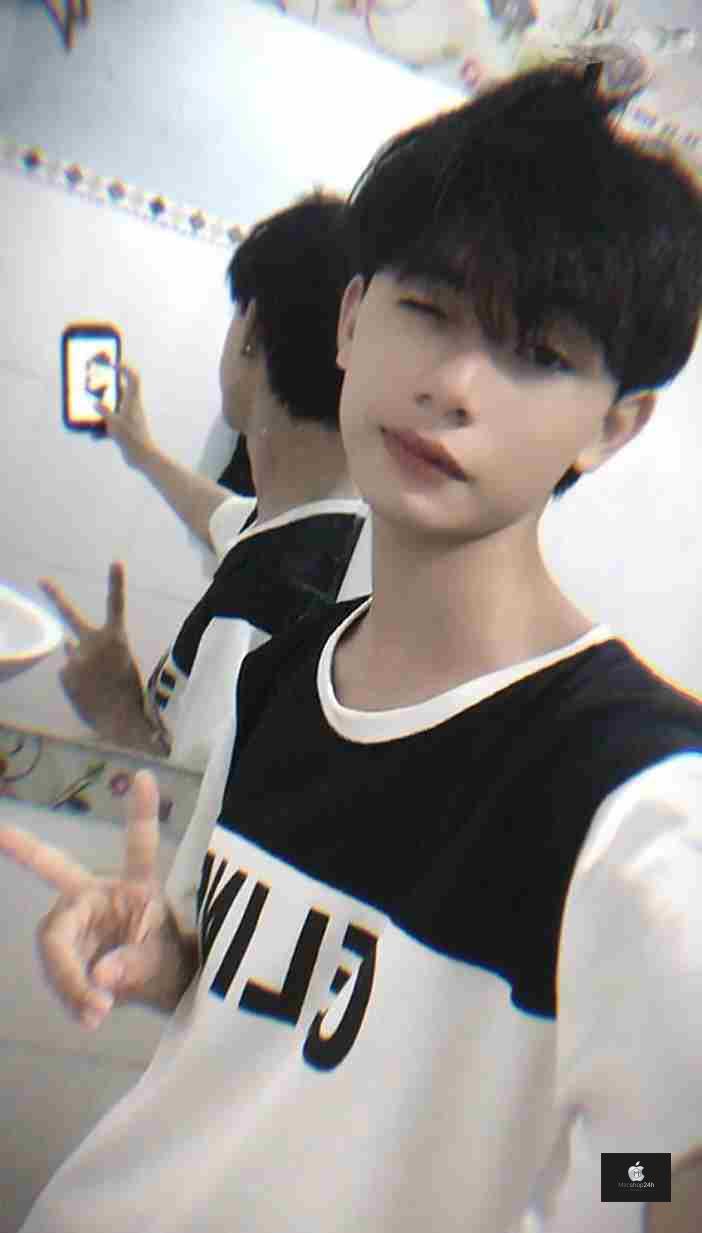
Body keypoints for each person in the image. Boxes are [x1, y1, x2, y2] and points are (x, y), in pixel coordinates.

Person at [2, 63, 702, 1233]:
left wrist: (580, 1190)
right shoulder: (287, 675)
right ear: (351, 320)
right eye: (429, 310)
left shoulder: (640, 797)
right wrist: (165, 957)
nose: (455, 386)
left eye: (538, 353)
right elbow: (249, 1005)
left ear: (613, 427)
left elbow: (667, 1176)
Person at [40, 190, 370, 772]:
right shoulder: (332, 535)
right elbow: (227, 517)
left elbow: (197, 814)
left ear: (251, 329)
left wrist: (116, 712)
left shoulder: (259, 611)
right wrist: (142, 453)